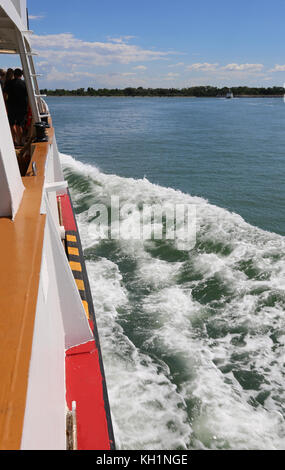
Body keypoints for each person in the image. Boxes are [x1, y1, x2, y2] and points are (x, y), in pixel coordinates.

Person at [4, 68, 28, 147]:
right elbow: (28, 96)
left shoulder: (8, 83)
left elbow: (4, 95)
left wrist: (5, 105)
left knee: (12, 124)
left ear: (14, 75)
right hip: (22, 107)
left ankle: (14, 141)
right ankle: (20, 141)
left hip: (11, 106)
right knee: (19, 125)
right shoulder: (24, 83)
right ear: (21, 75)